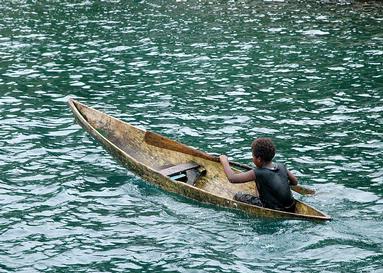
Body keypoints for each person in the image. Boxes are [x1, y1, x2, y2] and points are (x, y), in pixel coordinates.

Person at [219, 138, 298, 212]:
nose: (252, 159)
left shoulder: (258, 172)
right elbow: (295, 182)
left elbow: (232, 178)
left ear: (259, 159)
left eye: (253, 156)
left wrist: (224, 161)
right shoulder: (281, 166)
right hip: (291, 206)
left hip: (274, 208)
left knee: (238, 196)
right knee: (259, 183)